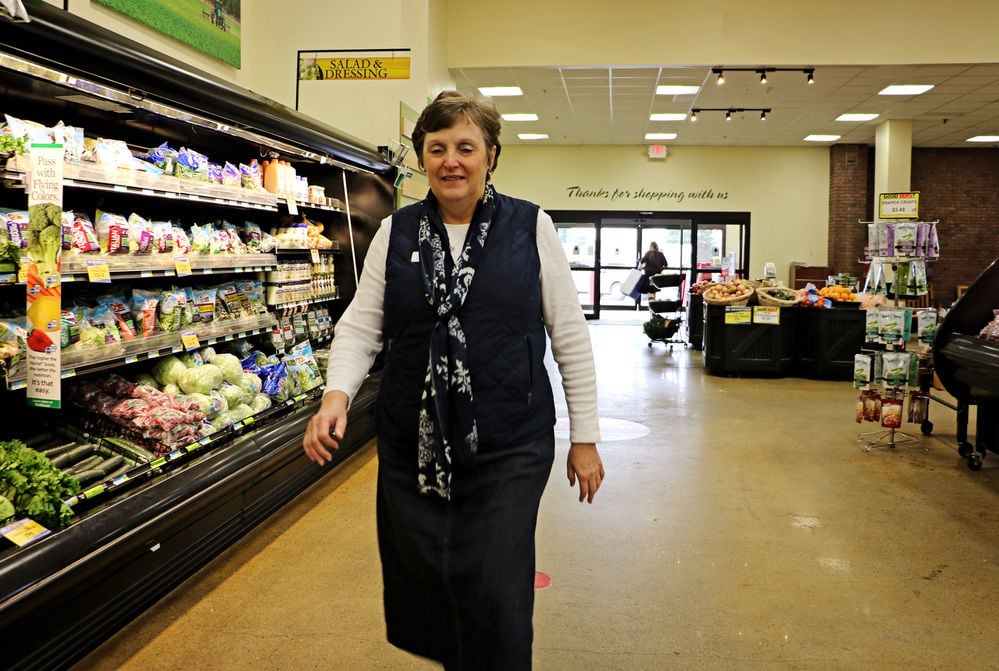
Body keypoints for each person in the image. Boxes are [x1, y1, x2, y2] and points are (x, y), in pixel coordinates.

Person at [303, 90, 604, 671]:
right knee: (430, 579)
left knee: (496, 582)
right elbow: (362, 328)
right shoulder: (397, 233)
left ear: (491, 155)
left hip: (509, 440)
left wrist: (584, 436)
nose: (451, 161)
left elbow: (569, 335)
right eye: (436, 148)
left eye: (466, 147)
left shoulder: (529, 226)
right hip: (412, 444)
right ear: (422, 158)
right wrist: (334, 397)